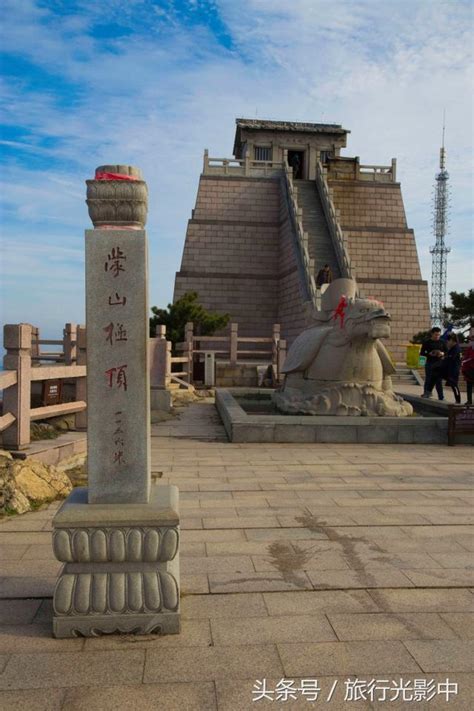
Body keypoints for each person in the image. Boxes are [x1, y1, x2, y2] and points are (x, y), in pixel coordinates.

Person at [420, 326, 447, 399]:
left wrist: (442, 353)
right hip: (430, 363)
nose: (437, 336)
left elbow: (447, 352)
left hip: (439, 364)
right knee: (428, 379)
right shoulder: (427, 342)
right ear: (432, 334)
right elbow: (422, 353)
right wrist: (429, 353)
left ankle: (441, 397)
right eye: (436, 334)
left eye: (438, 335)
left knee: (438, 381)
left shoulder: (442, 342)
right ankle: (426, 393)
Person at [443, 333, 461, 403]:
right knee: (453, 386)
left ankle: (458, 401)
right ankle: (457, 400)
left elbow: (451, 358)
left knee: (454, 386)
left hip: (454, 370)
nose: (447, 342)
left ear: (452, 340)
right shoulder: (452, 348)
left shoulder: (456, 348)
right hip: (450, 369)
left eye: (448, 341)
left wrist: (444, 358)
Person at [461, 327, 474, 405]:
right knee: (469, 386)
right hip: (469, 370)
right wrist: (463, 360)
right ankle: (469, 400)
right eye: (471, 340)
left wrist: (464, 361)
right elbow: (466, 357)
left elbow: (470, 358)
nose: (471, 341)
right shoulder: (469, 349)